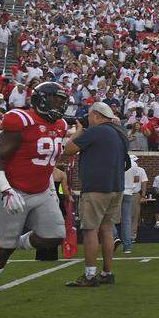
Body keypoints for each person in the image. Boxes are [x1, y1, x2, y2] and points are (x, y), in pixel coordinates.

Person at [0, 83, 70, 316]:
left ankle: (11, 243)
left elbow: (46, 163)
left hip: (42, 190)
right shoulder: (21, 120)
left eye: (62, 101)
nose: (60, 105)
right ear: (41, 100)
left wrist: (50, 187)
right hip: (12, 189)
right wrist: (6, 190)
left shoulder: (60, 125)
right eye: (56, 100)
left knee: (54, 236)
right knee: (3, 250)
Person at [63, 101, 131, 287]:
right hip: (116, 187)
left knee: (90, 230)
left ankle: (90, 275)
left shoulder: (95, 131)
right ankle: (107, 272)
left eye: (90, 115)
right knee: (107, 230)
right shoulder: (120, 132)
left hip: (95, 188)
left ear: (97, 116)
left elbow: (68, 150)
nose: (88, 119)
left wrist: (78, 131)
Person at [117, 154, 147, 253]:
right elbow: (137, 179)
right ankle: (127, 246)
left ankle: (115, 236)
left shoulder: (117, 160)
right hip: (129, 192)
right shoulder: (134, 164)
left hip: (119, 191)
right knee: (127, 219)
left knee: (108, 217)